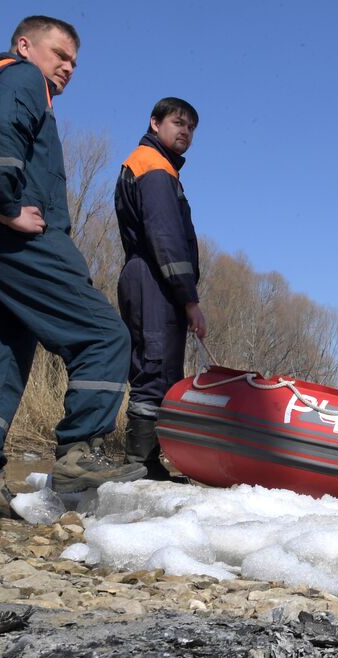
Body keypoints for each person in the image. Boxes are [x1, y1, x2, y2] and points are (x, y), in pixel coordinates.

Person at [0, 15, 145, 519]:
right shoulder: (21, 77)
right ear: (26, 46)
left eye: (75, 61)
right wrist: (5, 206)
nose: (69, 67)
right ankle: (79, 453)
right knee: (103, 335)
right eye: (60, 55)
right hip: (14, 232)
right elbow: (6, 134)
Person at [114, 97, 206, 479]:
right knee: (155, 367)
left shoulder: (160, 167)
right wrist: (189, 300)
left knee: (159, 367)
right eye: (177, 123)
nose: (184, 131)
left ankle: (147, 460)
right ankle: (140, 464)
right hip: (153, 277)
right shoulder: (153, 167)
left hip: (150, 276)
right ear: (155, 123)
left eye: (191, 127)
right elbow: (166, 238)